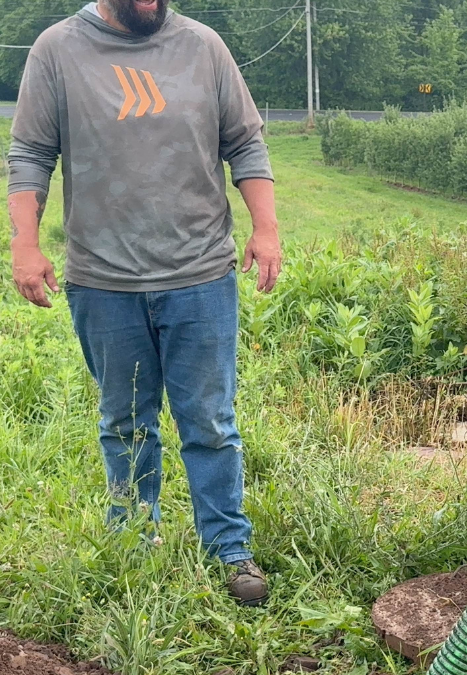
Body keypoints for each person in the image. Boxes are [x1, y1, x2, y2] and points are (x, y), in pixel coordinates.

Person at [6, 0, 281, 607]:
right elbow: (29, 153)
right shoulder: (57, 49)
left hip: (201, 275)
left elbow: (245, 141)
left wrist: (266, 227)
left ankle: (228, 548)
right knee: (125, 422)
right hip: (103, 281)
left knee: (210, 422)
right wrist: (24, 245)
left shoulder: (204, 46)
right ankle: (133, 541)